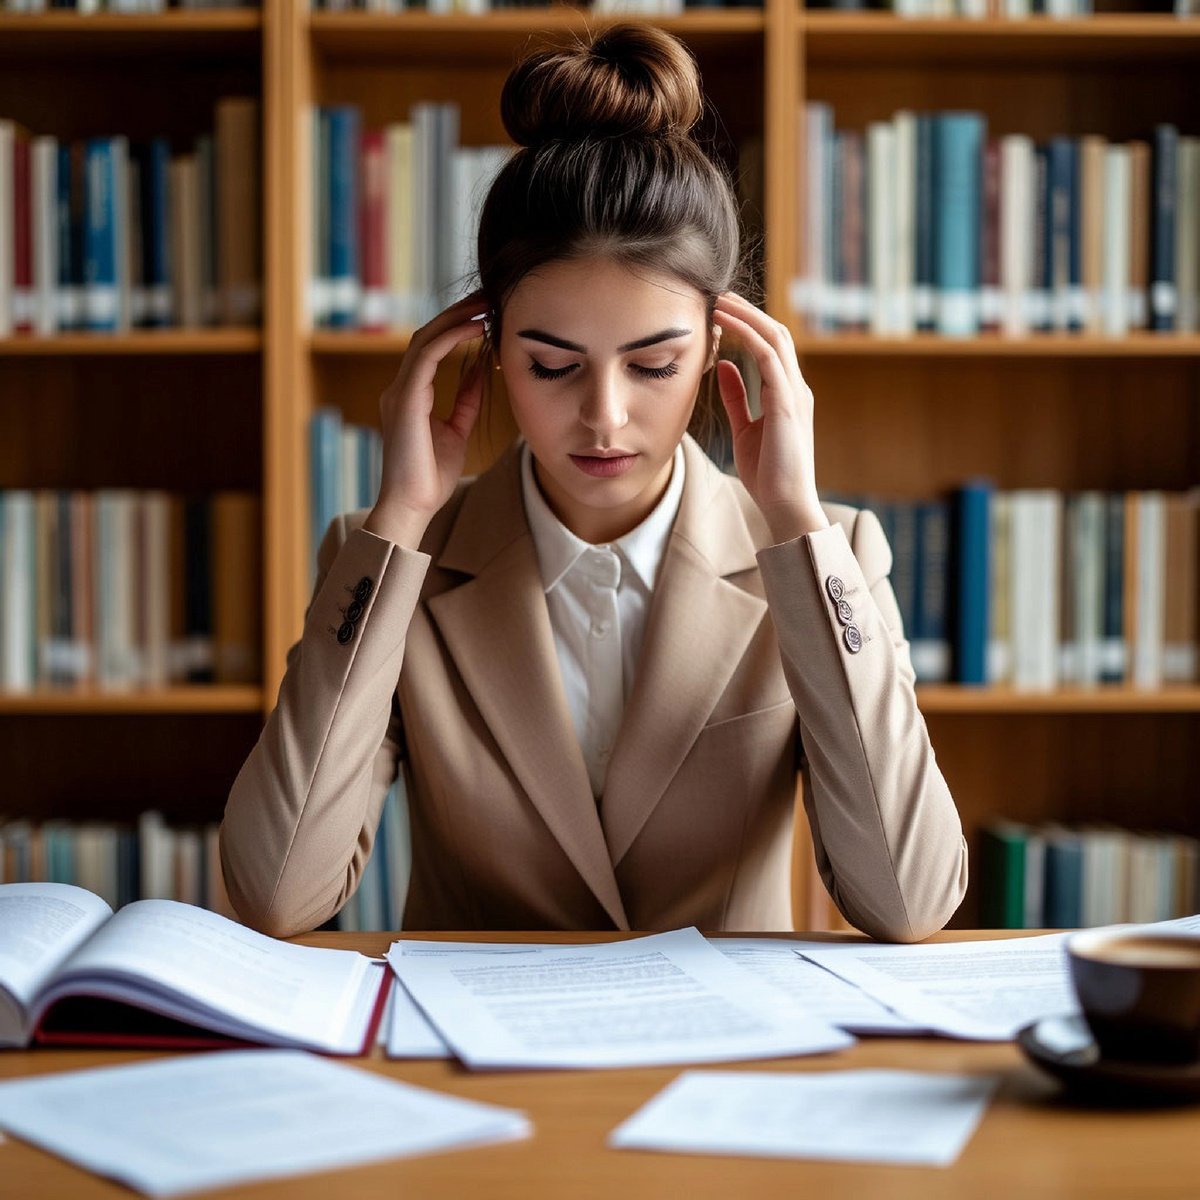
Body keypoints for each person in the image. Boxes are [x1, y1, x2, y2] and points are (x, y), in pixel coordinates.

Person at [219, 22, 967, 941]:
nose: (605, 417)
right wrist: (405, 513)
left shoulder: (827, 557)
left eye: (653, 366)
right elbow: (277, 894)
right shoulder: (385, 563)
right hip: (468, 1064)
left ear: (717, 352)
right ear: (488, 352)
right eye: (551, 365)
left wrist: (795, 524)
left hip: (725, 1064)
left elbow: (910, 902)